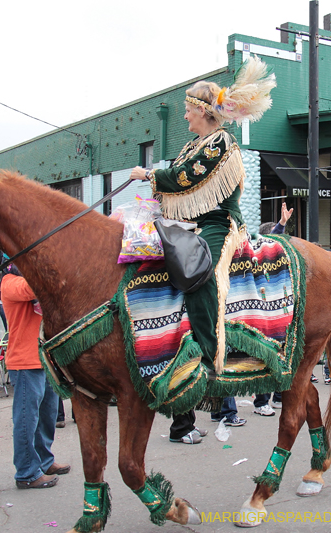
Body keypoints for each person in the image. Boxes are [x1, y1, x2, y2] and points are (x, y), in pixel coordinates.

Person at [130, 56, 275, 371]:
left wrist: (149, 175)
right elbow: (175, 181)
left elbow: (184, 177)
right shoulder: (192, 145)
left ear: (203, 112)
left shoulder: (220, 143)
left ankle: (210, 358)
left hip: (218, 223)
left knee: (199, 270)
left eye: (188, 111)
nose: (184, 117)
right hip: (188, 224)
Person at [1, 265, 70, 489]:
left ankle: (44, 461)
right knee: (26, 420)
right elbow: (36, 287)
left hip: (45, 359)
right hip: (24, 361)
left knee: (47, 416)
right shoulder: (10, 282)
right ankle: (27, 472)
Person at [252, 202, 292, 416]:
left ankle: (276, 396)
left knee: (280, 357)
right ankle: (260, 403)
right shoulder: (255, 254)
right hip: (263, 316)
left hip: (279, 315)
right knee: (265, 359)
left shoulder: (278, 258)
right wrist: (281, 225)